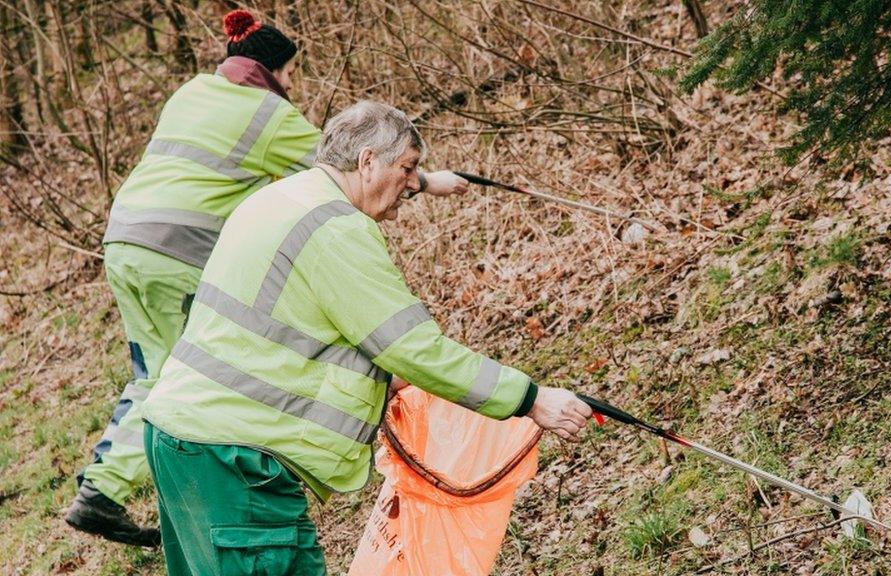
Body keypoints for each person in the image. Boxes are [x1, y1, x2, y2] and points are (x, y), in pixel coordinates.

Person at [66, 10, 468, 547]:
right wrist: (429, 181)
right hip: (180, 249)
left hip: (124, 243)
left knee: (151, 371)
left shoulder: (191, 92)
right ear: (269, 70)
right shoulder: (267, 113)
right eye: (291, 74)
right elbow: (341, 169)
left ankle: (103, 486)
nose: (292, 86)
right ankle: (125, 495)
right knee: (180, 375)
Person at [140, 100, 592, 575]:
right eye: (409, 167)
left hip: (182, 438)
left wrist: (379, 379)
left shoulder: (281, 198)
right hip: (232, 459)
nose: (415, 183)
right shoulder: (334, 229)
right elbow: (414, 347)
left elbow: (292, 330)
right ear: (368, 161)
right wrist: (530, 399)